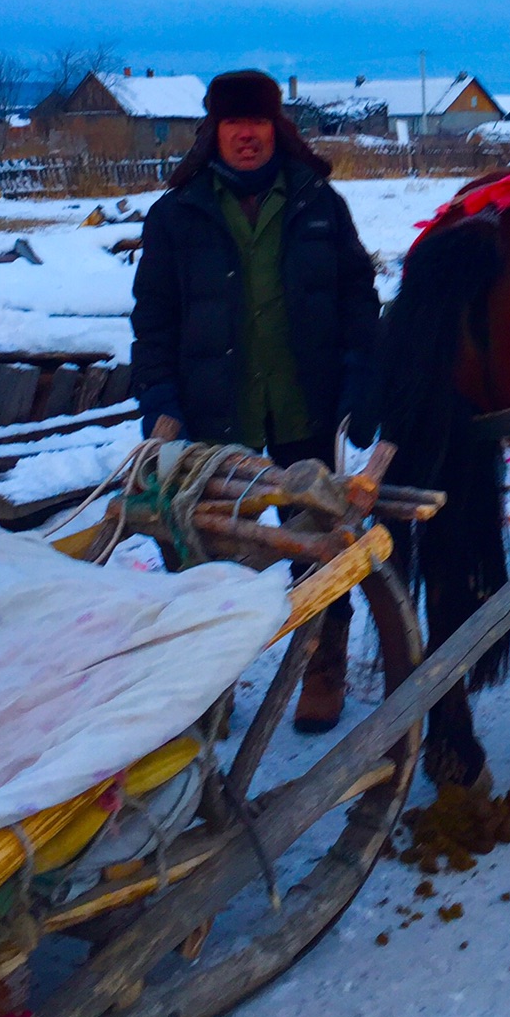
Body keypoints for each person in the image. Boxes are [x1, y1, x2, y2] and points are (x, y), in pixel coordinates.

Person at [131, 69, 380, 732]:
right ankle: (212, 679)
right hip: (214, 412)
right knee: (202, 548)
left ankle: (324, 660)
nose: (247, 135)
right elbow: (153, 319)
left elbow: (358, 295)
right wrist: (158, 395)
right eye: (234, 123)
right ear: (215, 130)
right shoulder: (176, 214)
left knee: (322, 535)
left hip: (308, 405)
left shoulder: (319, 204)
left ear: (278, 129)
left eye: (259, 122)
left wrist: (362, 371)